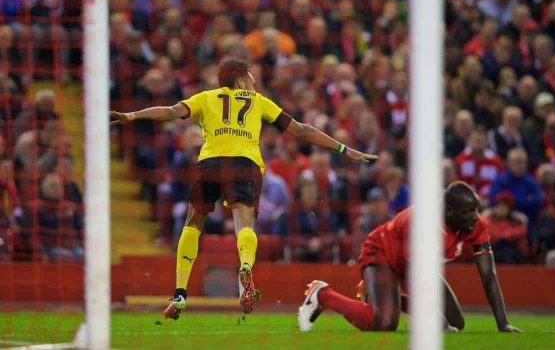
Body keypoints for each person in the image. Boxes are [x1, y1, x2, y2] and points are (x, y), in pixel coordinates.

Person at [110, 57, 377, 319]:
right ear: (239, 78)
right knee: (245, 224)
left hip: (211, 163)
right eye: (250, 77)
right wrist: (345, 149)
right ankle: (246, 268)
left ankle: (180, 293)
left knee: (192, 223)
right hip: (245, 164)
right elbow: (301, 130)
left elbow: (170, 112)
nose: (253, 81)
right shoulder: (259, 101)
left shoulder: (206, 97)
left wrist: (132, 115)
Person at [298, 182, 521, 333]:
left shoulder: (475, 224)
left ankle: (382, 295)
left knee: (456, 324)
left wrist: (503, 324)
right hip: (382, 254)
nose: (475, 218)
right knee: (384, 323)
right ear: (450, 213)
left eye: (475, 211)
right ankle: (324, 295)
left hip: (415, 265)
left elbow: (488, 275)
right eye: (468, 213)